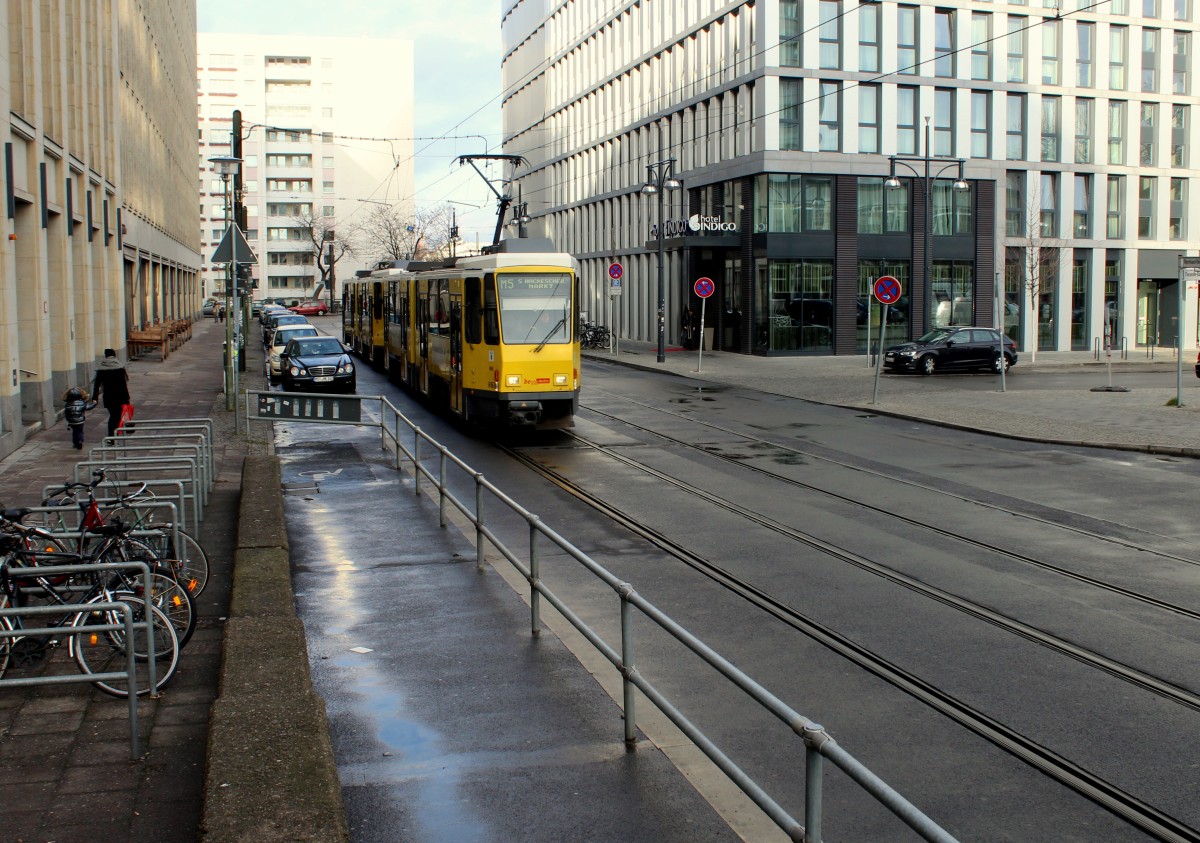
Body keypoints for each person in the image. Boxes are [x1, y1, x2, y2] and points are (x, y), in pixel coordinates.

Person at [92, 348, 131, 438]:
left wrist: (95, 398)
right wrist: (127, 398)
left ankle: (113, 435)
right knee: (116, 416)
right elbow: (123, 385)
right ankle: (113, 435)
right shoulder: (120, 368)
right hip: (121, 397)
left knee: (113, 415)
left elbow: (96, 385)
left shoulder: (101, 369)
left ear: (106, 356)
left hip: (109, 397)